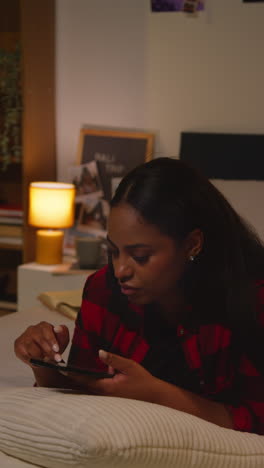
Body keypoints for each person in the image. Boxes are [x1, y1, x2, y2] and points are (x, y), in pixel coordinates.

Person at [14, 157, 264, 434]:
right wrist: (46, 366)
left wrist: (157, 394)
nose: (120, 270)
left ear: (192, 244)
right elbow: (80, 399)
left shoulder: (250, 301)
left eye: (140, 256)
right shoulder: (103, 289)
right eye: (113, 251)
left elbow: (256, 419)